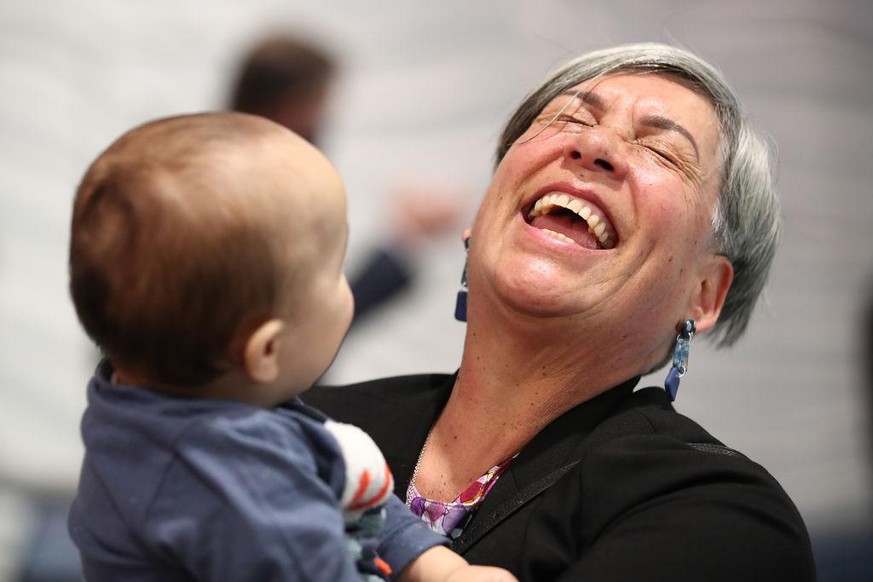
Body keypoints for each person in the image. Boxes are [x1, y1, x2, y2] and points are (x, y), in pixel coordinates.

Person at [304, 42, 817, 581]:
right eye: (569, 118)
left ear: (705, 292)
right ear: (479, 222)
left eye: (661, 151)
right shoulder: (303, 424)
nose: (594, 145)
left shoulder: (724, 520)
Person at [65, 111, 516, 582]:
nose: (348, 288)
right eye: (335, 270)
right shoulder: (242, 494)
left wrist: (436, 567)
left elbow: (350, 494)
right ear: (265, 352)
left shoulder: (166, 407)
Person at [227, 33, 464, 324]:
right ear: (292, 107)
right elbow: (300, 329)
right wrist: (406, 239)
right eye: (320, 105)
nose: (325, 121)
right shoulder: (259, 197)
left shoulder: (215, 176)